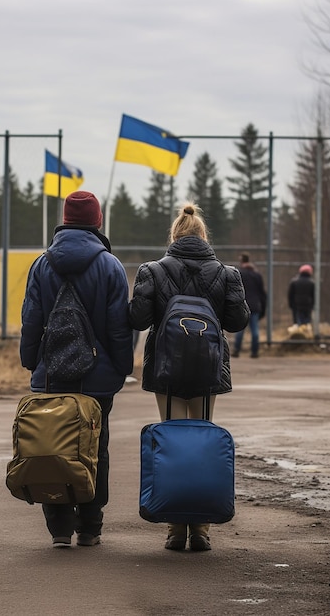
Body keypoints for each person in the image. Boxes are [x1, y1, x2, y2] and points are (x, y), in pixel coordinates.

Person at [128, 203, 250, 552]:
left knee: (172, 440)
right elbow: (238, 321)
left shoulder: (152, 270)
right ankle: (201, 527)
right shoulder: (227, 274)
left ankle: (173, 527)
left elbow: (137, 318)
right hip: (207, 366)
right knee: (200, 440)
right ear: (203, 236)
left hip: (166, 367)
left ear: (174, 235)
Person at [20, 190, 133, 548]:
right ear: (97, 221)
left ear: (65, 221)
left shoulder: (41, 265)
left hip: (51, 374)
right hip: (98, 379)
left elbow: (31, 320)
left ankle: (59, 529)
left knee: (53, 442)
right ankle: (90, 527)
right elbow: (119, 327)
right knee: (95, 447)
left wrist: (32, 361)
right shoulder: (111, 267)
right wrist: (121, 368)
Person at [232, 252, 267, 359]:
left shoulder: (239, 274)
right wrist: (263, 308)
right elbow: (262, 293)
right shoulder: (257, 275)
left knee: (240, 329)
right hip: (255, 305)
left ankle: (237, 350)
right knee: (255, 330)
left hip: (242, 304)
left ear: (241, 261)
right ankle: (254, 351)